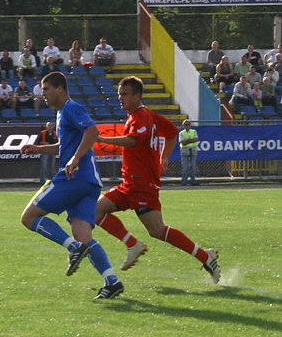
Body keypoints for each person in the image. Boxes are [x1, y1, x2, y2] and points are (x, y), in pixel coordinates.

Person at [93, 76, 220, 285]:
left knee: (157, 230)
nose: (120, 98)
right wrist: (164, 156)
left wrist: (102, 139)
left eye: (124, 94)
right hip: (130, 183)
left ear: (137, 95)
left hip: (141, 184)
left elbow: (134, 141)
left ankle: (206, 257)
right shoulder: (146, 115)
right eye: (119, 94)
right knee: (94, 210)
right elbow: (171, 132)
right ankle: (132, 244)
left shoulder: (140, 117)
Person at [18, 71, 123, 300]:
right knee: (84, 236)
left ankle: (72, 247)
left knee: (28, 218)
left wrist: (74, 160)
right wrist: (38, 149)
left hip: (73, 177)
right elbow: (64, 146)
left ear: (60, 89)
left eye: (46, 89)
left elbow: (93, 131)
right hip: (89, 182)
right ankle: (111, 280)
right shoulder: (62, 114)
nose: (42, 94)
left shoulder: (70, 108)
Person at [178, 119, 199, 186]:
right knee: (185, 167)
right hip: (184, 151)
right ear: (183, 125)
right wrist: (191, 140)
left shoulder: (194, 131)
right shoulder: (181, 133)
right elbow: (182, 142)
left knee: (193, 166)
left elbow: (196, 139)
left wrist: (187, 140)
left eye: (188, 124)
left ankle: (193, 181)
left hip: (193, 150)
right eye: (185, 125)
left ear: (190, 125)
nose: (187, 126)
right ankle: (184, 181)